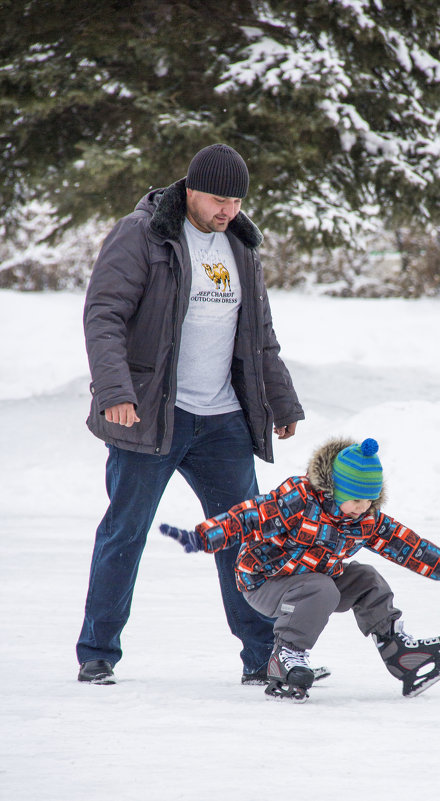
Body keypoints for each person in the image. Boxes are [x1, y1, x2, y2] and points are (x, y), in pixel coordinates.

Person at [77, 143, 305, 686]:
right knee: (125, 532)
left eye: (237, 200)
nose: (228, 210)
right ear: (191, 190)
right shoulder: (144, 233)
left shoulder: (242, 246)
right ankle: (98, 650)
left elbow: (260, 336)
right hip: (155, 412)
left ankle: (263, 657)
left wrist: (281, 401)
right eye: (219, 199)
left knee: (245, 538)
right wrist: (116, 391)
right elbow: (103, 313)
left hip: (222, 417)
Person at [160, 436, 440, 701]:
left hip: (316, 579)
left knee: (366, 578)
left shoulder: (365, 519)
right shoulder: (298, 500)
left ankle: (399, 653)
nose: (362, 509)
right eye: (355, 500)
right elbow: (248, 516)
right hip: (264, 582)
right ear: (335, 490)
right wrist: (202, 537)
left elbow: (407, 545)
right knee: (321, 588)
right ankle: (285, 656)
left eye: (369, 501)